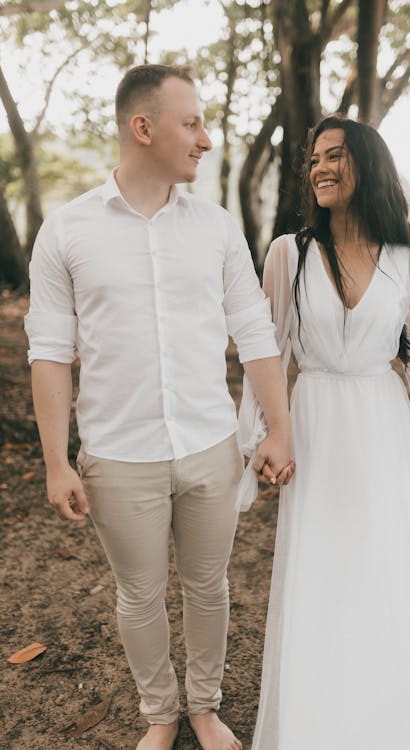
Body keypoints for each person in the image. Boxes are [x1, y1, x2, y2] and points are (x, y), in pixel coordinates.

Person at [24, 64, 294, 750]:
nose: (205, 139)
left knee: (208, 587)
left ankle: (204, 706)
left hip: (209, 444)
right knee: (139, 596)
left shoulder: (217, 228)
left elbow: (255, 332)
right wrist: (57, 462)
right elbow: (49, 352)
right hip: (118, 454)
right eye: (192, 122)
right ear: (143, 128)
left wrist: (279, 427)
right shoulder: (66, 232)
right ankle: (160, 714)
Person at [238, 114, 410, 749]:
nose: (320, 166)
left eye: (335, 155)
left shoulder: (405, 260)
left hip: (385, 426)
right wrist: (264, 433)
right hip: (316, 424)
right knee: (323, 573)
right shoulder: (291, 254)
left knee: (393, 570)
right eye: (313, 157)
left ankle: (397, 719)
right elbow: (269, 352)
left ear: (368, 166)